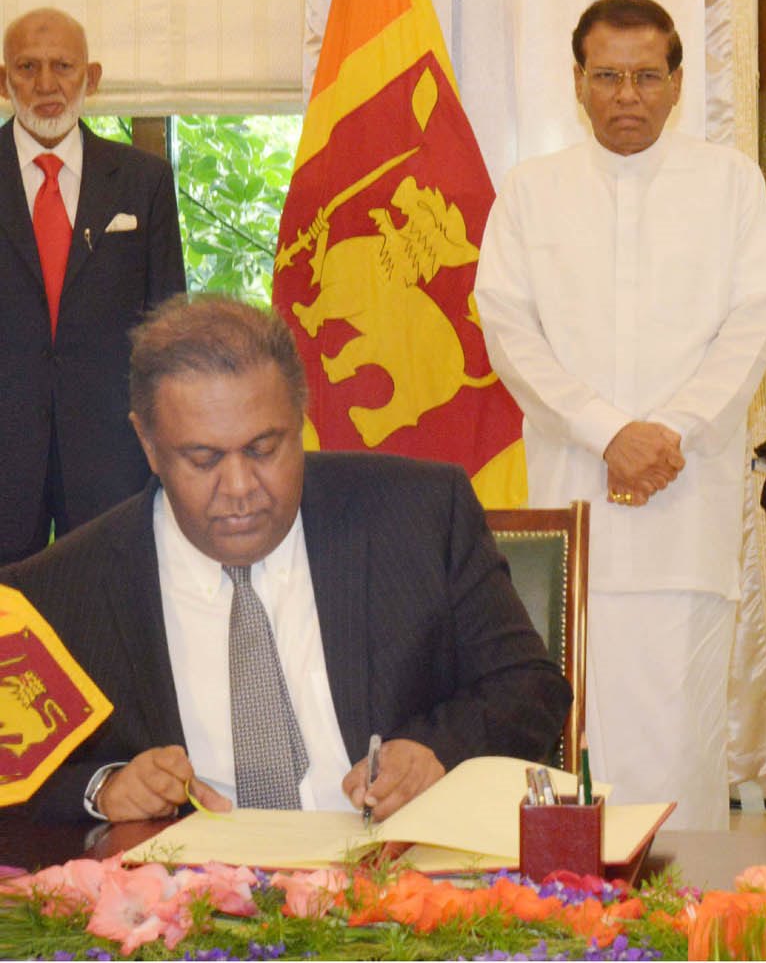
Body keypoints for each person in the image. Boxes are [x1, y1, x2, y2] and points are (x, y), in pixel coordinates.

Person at [2, 295, 571, 824]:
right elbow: (12, 774)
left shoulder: (419, 516)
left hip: (391, 886)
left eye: (263, 448)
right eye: (202, 458)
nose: (240, 486)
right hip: (184, 907)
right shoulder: (56, 592)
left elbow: (530, 689)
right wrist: (104, 789)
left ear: (300, 420)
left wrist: (434, 753)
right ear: (148, 444)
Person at [475, 0, 766, 831]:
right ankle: (576, 916)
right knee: (575, 725)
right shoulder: (532, 191)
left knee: (680, 733)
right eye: (607, 75)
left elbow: (753, 321)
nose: (627, 94)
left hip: (686, 507)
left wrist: (667, 433)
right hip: (574, 508)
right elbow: (507, 327)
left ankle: (682, 920)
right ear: (577, 81)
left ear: (677, 83)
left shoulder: (729, 183)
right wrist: (608, 432)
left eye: (647, 76)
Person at [0, 8, 186, 564]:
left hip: (114, 455)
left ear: (93, 77)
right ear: (3, 79)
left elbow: (168, 325)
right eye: (28, 67)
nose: (46, 84)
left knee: (109, 621)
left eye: (63, 65)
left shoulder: (143, 181)